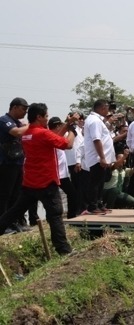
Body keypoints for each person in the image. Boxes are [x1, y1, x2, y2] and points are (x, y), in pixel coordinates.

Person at [0, 103, 77, 255]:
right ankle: (64, 250)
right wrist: (73, 131)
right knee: (55, 215)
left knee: (14, 211)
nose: (47, 119)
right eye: (46, 116)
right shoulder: (43, 134)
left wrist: (67, 124)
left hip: (30, 182)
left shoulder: (28, 133)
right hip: (47, 182)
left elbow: (53, 138)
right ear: (39, 117)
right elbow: (67, 144)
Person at [0, 97, 30, 233]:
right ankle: (2, 225)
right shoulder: (4, 120)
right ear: (15, 107)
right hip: (6, 163)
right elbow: (16, 132)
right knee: (4, 195)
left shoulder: (18, 122)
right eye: (24, 109)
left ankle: (13, 222)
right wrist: (31, 125)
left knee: (16, 195)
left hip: (18, 163)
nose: (25, 112)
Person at [84, 99, 117, 215]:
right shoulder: (94, 121)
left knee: (100, 182)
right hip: (97, 158)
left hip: (101, 158)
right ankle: (92, 206)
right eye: (107, 108)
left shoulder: (98, 120)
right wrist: (102, 157)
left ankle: (99, 203)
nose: (108, 110)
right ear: (102, 108)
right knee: (95, 182)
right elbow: (96, 139)